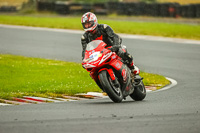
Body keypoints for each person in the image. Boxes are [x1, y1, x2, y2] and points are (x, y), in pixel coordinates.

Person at [81, 12, 140, 77]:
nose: (87, 26)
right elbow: (85, 50)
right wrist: (84, 60)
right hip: (99, 53)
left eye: (89, 23)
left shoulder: (104, 27)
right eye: (85, 24)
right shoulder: (84, 37)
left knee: (122, 52)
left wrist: (115, 46)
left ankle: (132, 67)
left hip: (111, 48)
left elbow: (115, 36)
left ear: (94, 21)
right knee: (92, 72)